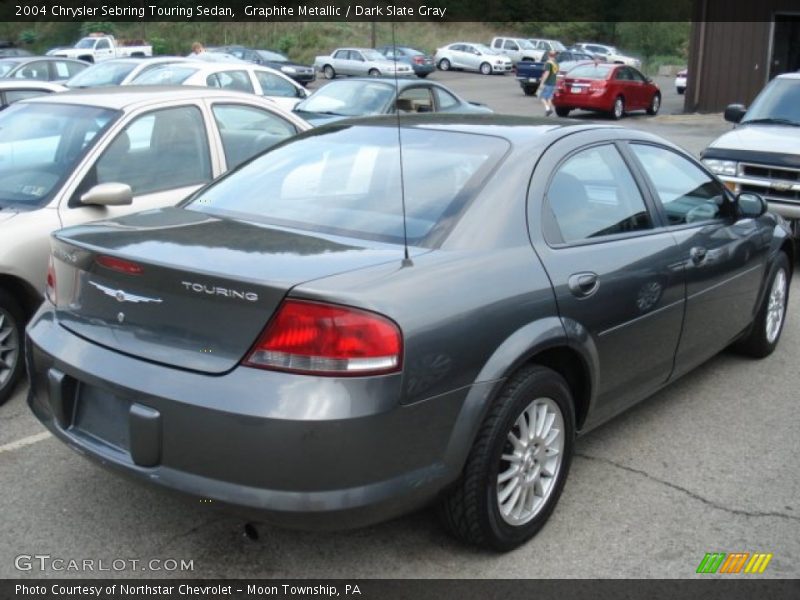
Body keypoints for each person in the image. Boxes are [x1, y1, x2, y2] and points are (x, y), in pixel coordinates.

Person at [537, 50, 559, 116]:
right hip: (553, 82)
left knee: (542, 97)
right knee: (549, 98)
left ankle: (547, 109)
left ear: (548, 55)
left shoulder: (548, 63)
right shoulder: (556, 63)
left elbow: (547, 73)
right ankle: (548, 111)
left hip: (548, 83)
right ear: (555, 56)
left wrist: (542, 83)